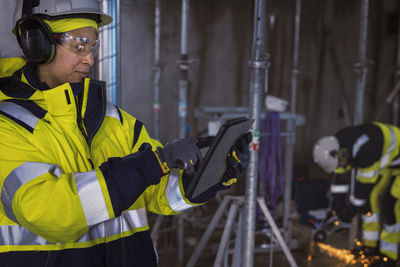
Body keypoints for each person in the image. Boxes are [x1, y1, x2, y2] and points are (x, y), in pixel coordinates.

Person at [0, 0, 252, 266]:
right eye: (79, 45)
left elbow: (159, 194)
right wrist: (152, 163)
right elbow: (53, 213)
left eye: (92, 46)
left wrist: (209, 173)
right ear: (36, 43)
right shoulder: (9, 126)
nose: (90, 58)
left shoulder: (114, 119)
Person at [313, 122, 400, 267]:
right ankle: (370, 247)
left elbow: (361, 193)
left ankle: (389, 256)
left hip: (393, 161)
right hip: (387, 162)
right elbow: (340, 178)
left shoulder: (367, 150)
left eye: (339, 163)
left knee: (389, 204)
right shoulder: (338, 144)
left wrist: (345, 215)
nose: (340, 166)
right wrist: (335, 210)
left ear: (343, 155)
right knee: (369, 202)